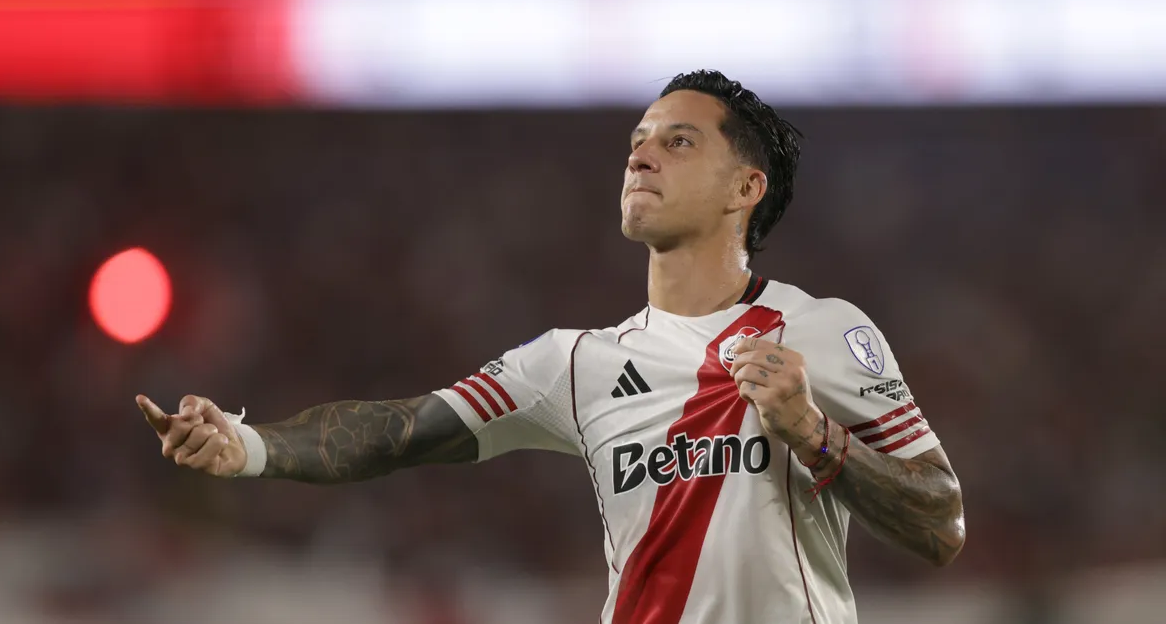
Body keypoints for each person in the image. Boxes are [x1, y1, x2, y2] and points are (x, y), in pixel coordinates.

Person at [137, 70, 964, 624]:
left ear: (746, 188)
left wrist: (814, 434)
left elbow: (941, 520)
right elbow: (402, 428)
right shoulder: (573, 363)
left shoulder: (819, 329)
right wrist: (248, 445)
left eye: (678, 141)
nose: (641, 155)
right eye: (638, 139)